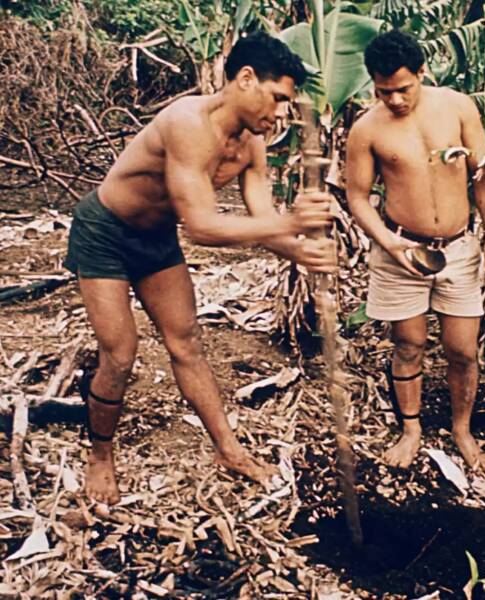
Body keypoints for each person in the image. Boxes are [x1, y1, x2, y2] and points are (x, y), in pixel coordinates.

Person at [64, 32, 337, 505]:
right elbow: (202, 227)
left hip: (155, 239)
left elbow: (261, 218)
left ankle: (228, 451)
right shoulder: (188, 123)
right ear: (246, 79)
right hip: (106, 231)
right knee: (121, 354)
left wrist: (300, 250)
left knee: (186, 342)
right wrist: (290, 223)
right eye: (276, 99)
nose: (278, 114)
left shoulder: (252, 143)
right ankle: (101, 456)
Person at [345, 30, 485, 471]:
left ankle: (462, 429)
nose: (395, 99)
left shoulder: (457, 107)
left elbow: (482, 175)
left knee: (463, 350)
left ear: (422, 72)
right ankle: (411, 428)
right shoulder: (366, 129)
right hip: (401, 249)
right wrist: (387, 240)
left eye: (403, 89)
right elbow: (358, 196)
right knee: (409, 343)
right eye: (384, 91)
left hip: (458, 247)